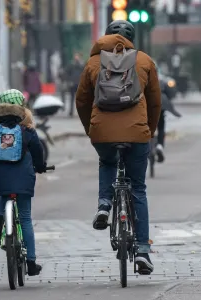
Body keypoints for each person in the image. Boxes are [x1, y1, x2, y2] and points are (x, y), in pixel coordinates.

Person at [75, 20, 162, 275]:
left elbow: (81, 100)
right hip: (138, 133)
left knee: (108, 161)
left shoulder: (93, 62)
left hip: (102, 131)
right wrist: (149, 131)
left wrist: (91, 128)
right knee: (138, 188)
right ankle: (143, 251)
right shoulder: (144, 61)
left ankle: (104, 205)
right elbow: (156, 103)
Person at [0, 89, 48, 276]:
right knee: (25, 218)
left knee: (4, 193)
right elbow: (38, 152)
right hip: (23, 178)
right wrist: (40, 166)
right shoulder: (27, 131)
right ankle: (32, 263)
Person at [156, 91, 182, 163]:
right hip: (161, 107)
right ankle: (159, 146)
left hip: (147, 106)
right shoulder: (163, 94)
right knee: (161, 127)